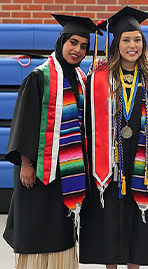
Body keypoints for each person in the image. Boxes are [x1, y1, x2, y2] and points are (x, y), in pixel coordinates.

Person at [3, 14, 99, 269]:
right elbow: (25, 122)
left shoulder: (80, 79)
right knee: (35, 228)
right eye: (73, 43)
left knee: (60, 228)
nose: (77, 50)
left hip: (67, 172)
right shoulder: (39, 77)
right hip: (38, 171)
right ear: (62, 41)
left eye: (83, 47)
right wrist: (26, 163)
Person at [79, 6, 148, 269]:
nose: (132, 45)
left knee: (137, 221)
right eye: (126, 40)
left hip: (141, 159)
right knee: (111, 219)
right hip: (109, 161)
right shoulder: (98, 78)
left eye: (137, 39)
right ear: (116, 44)